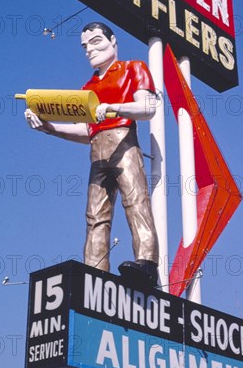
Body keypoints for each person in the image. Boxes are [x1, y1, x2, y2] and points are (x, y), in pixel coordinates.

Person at [24, 21, 159, 284]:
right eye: (85, 46)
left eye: (96, 41)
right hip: (98, 149)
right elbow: (86, 131)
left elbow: (148, 107)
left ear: (113, 41)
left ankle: (146, 262)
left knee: (135, 200)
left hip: (123, 142)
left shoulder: (134, 68)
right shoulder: (87, 88)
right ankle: (95, 271)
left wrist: (113, 108)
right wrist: (50, 128)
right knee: (95, 214)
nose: (89, 49)